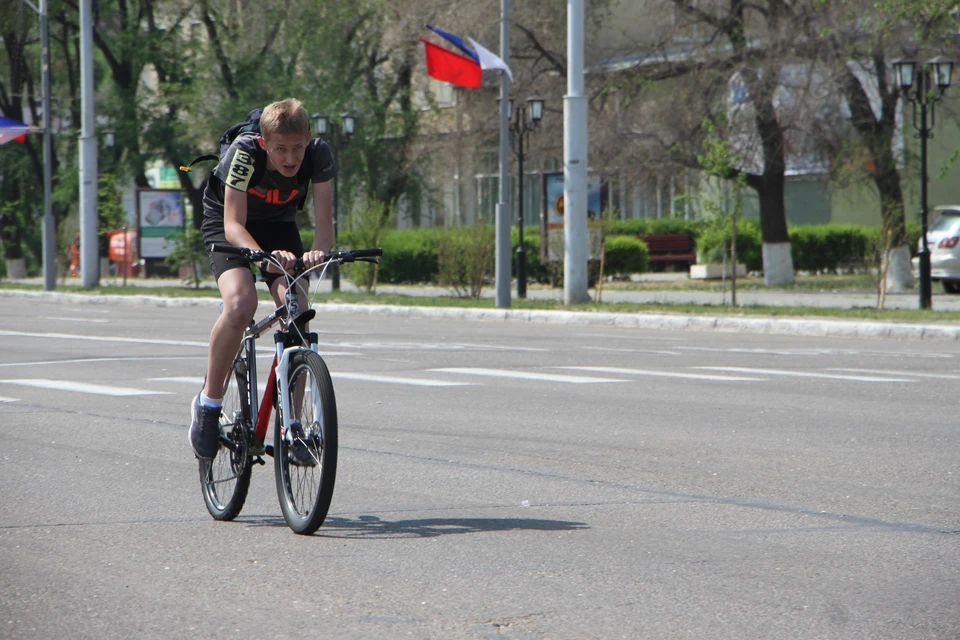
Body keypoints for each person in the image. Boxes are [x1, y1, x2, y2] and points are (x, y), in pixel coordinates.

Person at [189, 98, 335, 462]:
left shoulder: (319, 156)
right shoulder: (244, 153)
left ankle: (293, 428)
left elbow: (325, 224)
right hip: (229, 225)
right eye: (281, 149)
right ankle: (208, 404)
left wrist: (316, 253)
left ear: (308, 139)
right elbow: (234, 224)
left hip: (278, 226)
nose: (290, 158)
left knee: (297, 309)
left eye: (297, 148)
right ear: (264, 144)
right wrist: (265, 258)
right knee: (241, 303)